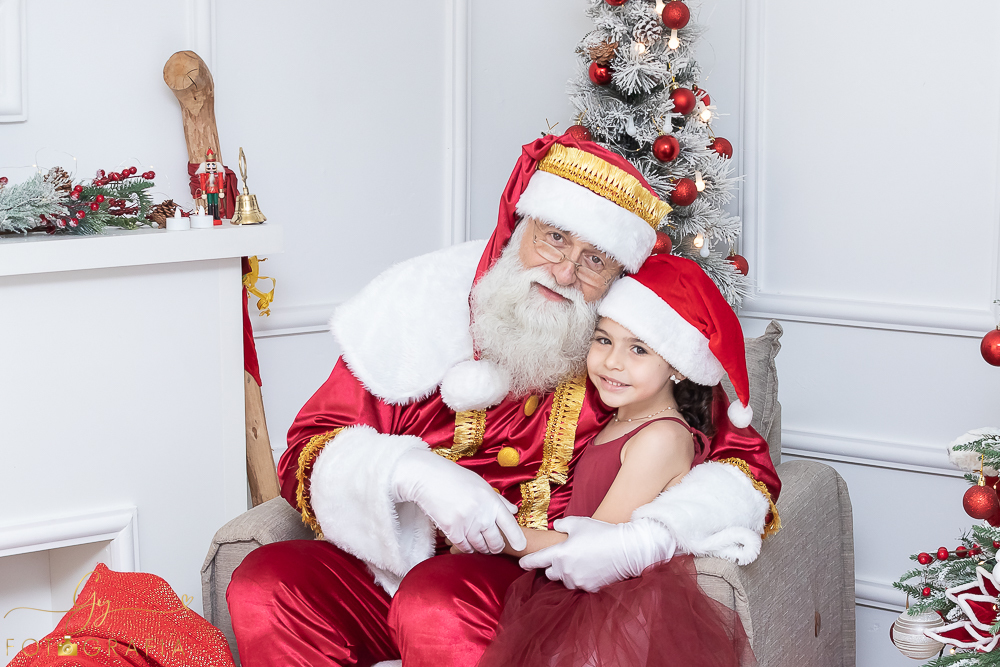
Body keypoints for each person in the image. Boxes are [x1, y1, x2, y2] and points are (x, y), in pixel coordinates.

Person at [226, 133, 780, 667]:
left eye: (594, 260)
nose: (564, 272)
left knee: (436, 602)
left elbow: (744, 470)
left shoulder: (627, 349)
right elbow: (308, 449)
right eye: (555, 238)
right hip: (390, 560)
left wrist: (643, 541)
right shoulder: (418, 303)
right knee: (264, 581)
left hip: (521, 588)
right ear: (521, 225)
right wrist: (411, 474)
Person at [478, 253, 757, 667]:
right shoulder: (617, 419)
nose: (612, 361)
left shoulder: (660, 437)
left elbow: (592, 546)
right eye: (604, 339)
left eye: (638, 349)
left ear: (678, 366)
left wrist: (493, 535)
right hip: (569, 586)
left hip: (610, 606)